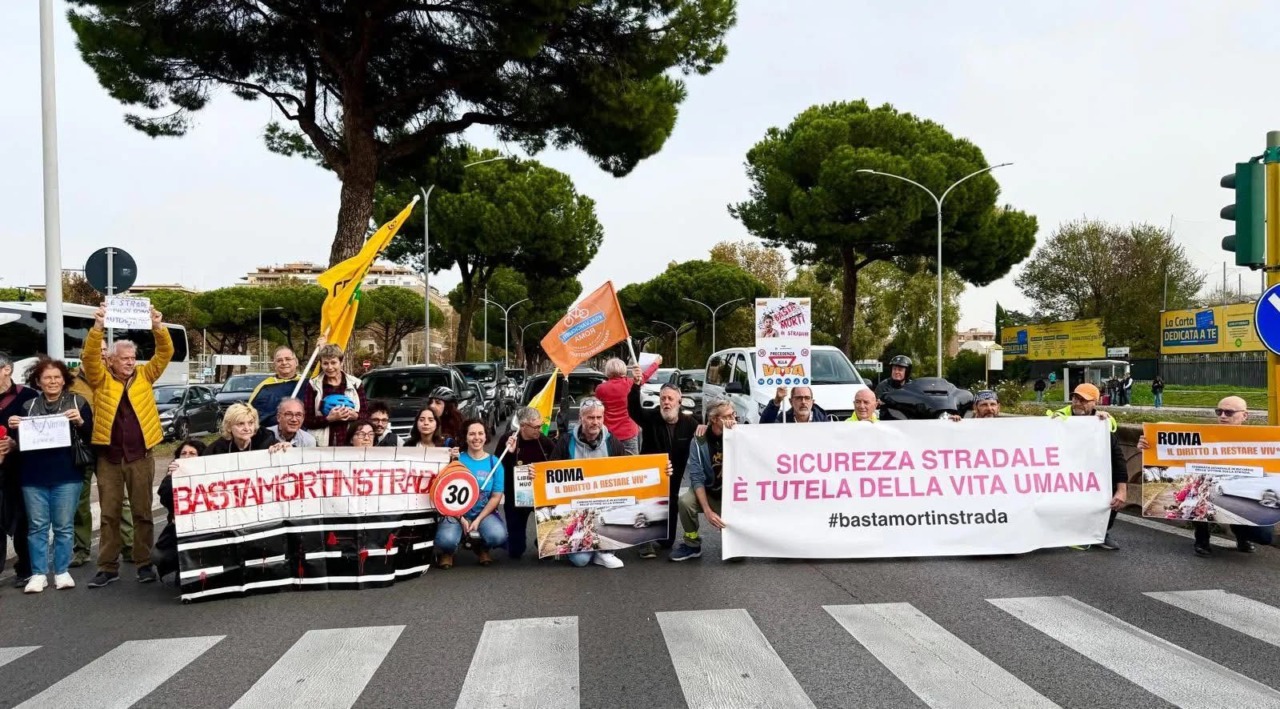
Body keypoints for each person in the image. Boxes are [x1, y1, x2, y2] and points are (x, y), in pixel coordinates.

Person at [82, 302, 173, 588]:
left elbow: (165, 353)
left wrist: (158, 326)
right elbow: (88, 358)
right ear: (111, 360)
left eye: (133, 357)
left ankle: (144, 563)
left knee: (143, 512)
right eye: (124, 358)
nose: (130, 362)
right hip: (109, 457)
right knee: (108, 515)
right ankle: (107, 567)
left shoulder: (146, 376)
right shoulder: (99, 379)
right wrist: (97, 328)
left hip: (141, 456)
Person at [1138, 396, 1273, 556]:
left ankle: (1241, 533)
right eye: (1219, 411)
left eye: (1229, 412)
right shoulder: (1204, 435)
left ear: (1244, 416)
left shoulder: (1260, 439)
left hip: (1240, 487)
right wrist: (1149, 446)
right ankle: (1202, 538)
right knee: (1195, 498)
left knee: (1264, 537)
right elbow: (1167, 438)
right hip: (1206, 484)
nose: (1222, 416)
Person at [6, 358, 93, 593]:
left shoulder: (78, 402)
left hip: (67, 474)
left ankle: (62, 571)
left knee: (64, 526)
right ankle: (38, 573)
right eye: (47, 378)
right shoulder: (28, 407)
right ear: (38, 381)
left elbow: (90, 437)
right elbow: (21, 444)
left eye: (57, 377)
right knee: (37, 527)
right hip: (33, 476)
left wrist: (81, 421)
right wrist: (15, 427)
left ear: (64, 380)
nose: (52, 381)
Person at [68, 342, 133, 567]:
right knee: (80, 501)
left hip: (109, 447)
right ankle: (82, 549)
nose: (102, 353)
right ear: (82, 354)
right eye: (97, 350)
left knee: (120, 500)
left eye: (105, 350)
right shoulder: (70, 381)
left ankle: (129, 546)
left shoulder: (114, 378)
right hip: (82, 447)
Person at [1046, 383, 1125, 551]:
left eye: (1084, 400)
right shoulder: (1060, 417)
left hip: (1091, 472)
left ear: (1095, 403)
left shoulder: (1103, 422)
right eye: (1075, 398)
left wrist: (1122, 489)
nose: (1078, 403)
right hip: (1065, 471)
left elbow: (1117, 458)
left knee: (1110, 494)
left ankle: (1100, 533)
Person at [549, 398, 627, 568]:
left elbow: (629, 473)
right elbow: (550, 475)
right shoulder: (565, 441)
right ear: (581, 418)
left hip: (603, 508)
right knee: (581, 561)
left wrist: (662, 471)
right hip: (574, 510)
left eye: (599, 417)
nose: (596, 422)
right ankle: (588, 546)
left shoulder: (612, 442)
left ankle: (604, 551)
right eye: (591, 417)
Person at [628, 376, 698, 555]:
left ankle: (663, 536)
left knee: (667, 542)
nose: (666, 402)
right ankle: (645, 541)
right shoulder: (651, 418)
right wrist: (636, 386)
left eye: (670, 399)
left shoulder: (689, 423)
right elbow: (634, 410)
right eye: (663, 398)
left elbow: (707, 435)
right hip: (649, 478)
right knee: (647, 505)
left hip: (673, 479)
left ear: (679, 401)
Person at [436, 420, 507, 569]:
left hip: (483, 512)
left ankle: (481, 547)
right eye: (472, 434)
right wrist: (461, 518)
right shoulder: (456, 460)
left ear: (486, 436)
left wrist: (479, 519)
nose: (476, 437)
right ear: (465, 437)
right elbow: (445, 493)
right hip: (455, 512)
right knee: (445, 540)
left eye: (480, 433)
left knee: (498, 536)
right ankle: (448, 551)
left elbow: (496, 496)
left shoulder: (494, 463)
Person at [671, 401, 736, 562]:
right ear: (714, 419)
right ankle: (692, 544)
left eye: (734, 415)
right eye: (727, 416)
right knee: (685, 502)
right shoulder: (699, 441)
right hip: (709, 490)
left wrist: (736, 434)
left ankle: (735, 542)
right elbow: (696, 476)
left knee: (736, 558)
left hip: (731, 495)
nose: (733, 419)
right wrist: (707, 510)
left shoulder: (738, 435)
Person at [0, 354, 38, 588]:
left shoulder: (28, 396)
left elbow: (40, 432)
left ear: (7, 370)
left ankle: (26, 568)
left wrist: (16, 442)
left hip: (21, 468)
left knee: (24, 520)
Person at [499, 407, 555, 560]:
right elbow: (497, 467)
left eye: (540, 425)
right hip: (515, 496)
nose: (539, 429)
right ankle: (505, 540)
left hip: (540, 496)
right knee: (516, 551)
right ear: (523, 426)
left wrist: (540, 473)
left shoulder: (545, 442)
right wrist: (510, 454)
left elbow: (556, 468)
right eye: (536, 427)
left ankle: (542, 541)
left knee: (548, 550)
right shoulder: (508, 439)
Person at [158, 439, 207, 583]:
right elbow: (165, 498)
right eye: (183, 453)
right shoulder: (172, 475)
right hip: (181, 530)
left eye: (192, 453)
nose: (187, 457)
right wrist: (170, 477)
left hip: (205, 529)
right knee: (159, 556)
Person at [302, 344, 366, 446]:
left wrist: (356, 416)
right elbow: (306, 419)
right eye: (325, 363)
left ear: (341, 362)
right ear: (321, 364)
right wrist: (328, 419)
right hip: (322, 444)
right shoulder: (313, 385)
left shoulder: (356, 384)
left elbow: (366, 415)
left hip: (350, 442)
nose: (330, 367)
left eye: (333, 363)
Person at [595, 356, 660, 456]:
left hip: (609, 433)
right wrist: (656, 363)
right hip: (629, 432)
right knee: (632, 465)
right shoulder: (630, 384)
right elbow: (645, 375)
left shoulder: (600, 389)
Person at [248, 346, 301, 429]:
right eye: (279, 360)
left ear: (296, 362)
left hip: (302, 436)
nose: (284, 362)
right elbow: (252, 415)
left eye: (288, 359)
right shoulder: (264, 387)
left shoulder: (306, 384)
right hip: (271, 435)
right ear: (274, 365)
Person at [206, 404, 283, 454]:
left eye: (250, 423)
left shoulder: (266, 440)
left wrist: (285, 448)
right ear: (229, 427)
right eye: (241, 424)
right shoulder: (217, 449)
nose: (247, 428)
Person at [761, 386, 829, 423]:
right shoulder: (783, 419)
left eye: (807, 398)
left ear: (812, 402)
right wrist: (777, 401)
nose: (803, 402)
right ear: (791, 402)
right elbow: (765, 427)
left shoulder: (823, 421)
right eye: (799, 398)